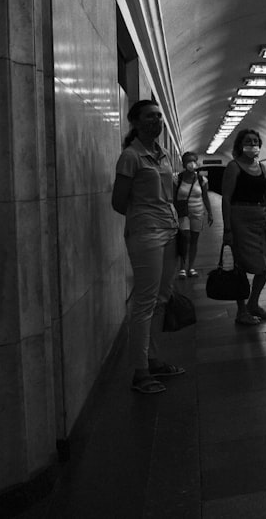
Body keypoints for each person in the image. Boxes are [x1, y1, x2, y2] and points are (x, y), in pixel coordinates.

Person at [111, 99, 186, 394]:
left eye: (158, 116)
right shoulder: (131, 156)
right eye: (150, 116)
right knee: (144, 300)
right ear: (135, 122)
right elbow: (118, 202)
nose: (156, 121)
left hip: (169, 230)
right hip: (146, 233)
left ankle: (153, 359)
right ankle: (140, 371)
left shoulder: (163, 154)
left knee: (162, 298)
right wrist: (144, 213)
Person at [221, 128, 266, 325]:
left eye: (255, 141)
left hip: (260, 219)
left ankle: (253, 303)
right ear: (240, 145)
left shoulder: (261, 167)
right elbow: (226, 198)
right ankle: (241, 311)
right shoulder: (233, 166)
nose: (252, 144)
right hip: (239, 218)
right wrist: (227, 229)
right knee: (241, 265)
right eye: (248, 141)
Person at [175, 151, 213, 278]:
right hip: (183, 212)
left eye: (193, 161)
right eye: (188, 161)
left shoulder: (202, 180)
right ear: (184, 163)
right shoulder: (178, 179)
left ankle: (191, 267)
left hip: (198, 212)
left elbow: (205, 197)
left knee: (194, 240)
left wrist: (210, 212)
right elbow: (173, 197)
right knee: (185, 237)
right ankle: (182, 267)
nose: (191, 164)